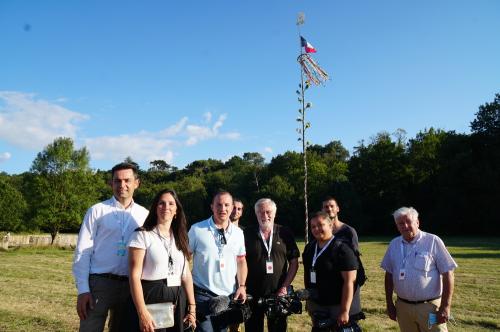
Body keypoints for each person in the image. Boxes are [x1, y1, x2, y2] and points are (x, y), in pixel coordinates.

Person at [72, 162, 149, 332]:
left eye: (127, 180)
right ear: (111, 183)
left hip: (131, 286)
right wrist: (83, 289)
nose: (122, 185)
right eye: (117, 181)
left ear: (137, 183)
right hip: (99, 283)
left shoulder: (144, 215)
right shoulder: (96, 211)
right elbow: (82, 251)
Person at [124, 189, 196, 332]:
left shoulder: (180, 237)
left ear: (176, 210)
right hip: (150, 300)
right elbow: (134, 276)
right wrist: (142, 312)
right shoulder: (142, 235)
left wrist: (192, 308)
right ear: (155, 208)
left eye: (171, 204)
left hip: (177, 302)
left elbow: (186, 275)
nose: (166, 207)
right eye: (161, 203)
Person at [381, 207, 457, 332]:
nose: (405, 226)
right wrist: (389, 303)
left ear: (417, 222)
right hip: (403, 308)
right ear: (397, 226)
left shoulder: (433, 241)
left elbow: (448, 273)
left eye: (408, 222)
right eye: (400, 223)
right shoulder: (394, 244)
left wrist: (445, 307)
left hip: (430, 308)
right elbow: (389, 275)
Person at [188, 191, 247, 332]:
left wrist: (242, 285)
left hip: (227, 297)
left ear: (232, 207)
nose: (223, 209)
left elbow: (241, 261)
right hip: (202, 296)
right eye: (218, 205)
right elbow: (184, 259)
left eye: (227, 205)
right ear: (212, 207)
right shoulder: (197, 229)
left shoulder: (238, 233)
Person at [244, 198, 300, 332]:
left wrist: (285, 287)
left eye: (268, 212)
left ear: (275, 213)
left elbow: (294, 262)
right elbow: (239, 261)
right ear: (256, 214)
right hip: (252, 293)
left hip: (278, 294)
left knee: (278, 329)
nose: (265, 216)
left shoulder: (284, 232)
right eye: (260, 212)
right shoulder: (247, 233)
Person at [302, 211, 361, 331]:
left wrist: (344, 311)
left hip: (337, 305)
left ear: (330, 226)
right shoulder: (310, 248)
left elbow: (349, 282)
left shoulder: (343, 248)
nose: (316, 229)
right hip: (318, 304)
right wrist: (309, 301)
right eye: (313, 226)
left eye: (320, 225)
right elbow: (308, 274)